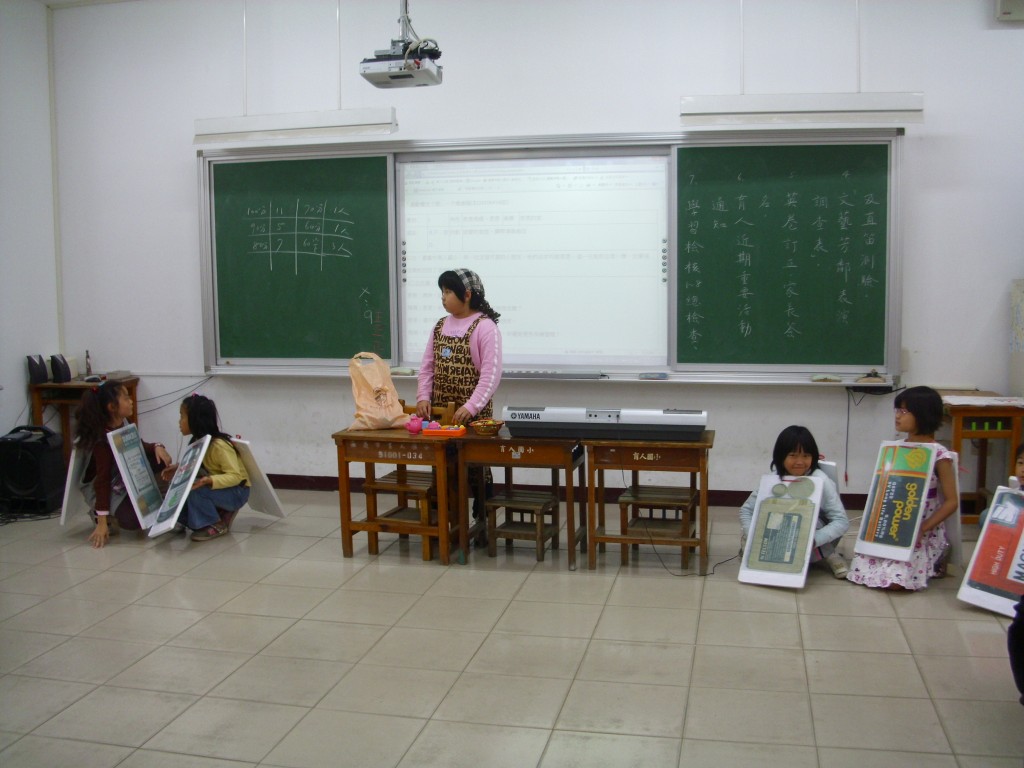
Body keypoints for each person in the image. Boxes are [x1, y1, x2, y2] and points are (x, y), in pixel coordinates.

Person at [847, 385, 958, 590]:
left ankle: (937, 558)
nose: (897, 416)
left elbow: (952, 502)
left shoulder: (939, 454)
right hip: (893, 526)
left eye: (904, 411)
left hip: (921, 529)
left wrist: (923, 528)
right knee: (862, 569)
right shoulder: (895, 449)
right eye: (897, 410)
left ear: (923, 414)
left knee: (896, 583)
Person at [738, 425, 850, 578]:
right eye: (793, 455)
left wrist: (813, 540)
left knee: (814, 525)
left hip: (811, 536)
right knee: (760, 524)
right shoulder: (773, 479)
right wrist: (753, 536)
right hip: (780, 535)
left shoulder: (821, 480)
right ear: (781, 456)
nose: (800, 462)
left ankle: (831, 555)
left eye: (806, 456)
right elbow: (746, 511)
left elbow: (841, 521)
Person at [74, 380, 172, 548]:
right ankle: (100, 515)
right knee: (134, 521)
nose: (131, 401)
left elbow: (138, 445)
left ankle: (158, 501)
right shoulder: (102, 440)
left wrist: (157, 446)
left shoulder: (123, 423)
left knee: (159, 460)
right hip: (103, 487)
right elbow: (102, 480)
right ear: (112, 407)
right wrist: (102, 522)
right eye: (126, 398)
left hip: (122, 476)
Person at [416, 268, 502, 426]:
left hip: (474, 419)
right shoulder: (440, 325)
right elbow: (427, 368)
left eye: (448, 292)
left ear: (467, 295)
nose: (443, 297)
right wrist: (423, 397)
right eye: (442, 292)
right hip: (440, 417)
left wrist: (471, 407)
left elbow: (491, 376)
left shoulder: (485, 327)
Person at [163, 394, 249, 542]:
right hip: (221, 487)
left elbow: (236, 476)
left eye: (182, 416)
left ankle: (214, 523)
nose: (179, 421)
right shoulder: (197, 441)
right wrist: (179, 468)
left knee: (196, 491)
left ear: (195, 420)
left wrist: (209, 480)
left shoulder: (219, 445)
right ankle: (184, 520)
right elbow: (198, 465)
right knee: (183, 486)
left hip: (237, 491)